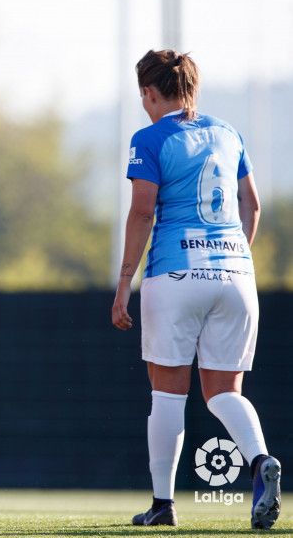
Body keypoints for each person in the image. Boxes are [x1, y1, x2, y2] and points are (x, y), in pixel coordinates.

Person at [112, 49, 281, 530]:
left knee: (167, 394)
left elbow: (143, 211)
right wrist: (233, 257)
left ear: (149, 92)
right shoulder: (229, 133)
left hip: (176, 273)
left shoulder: (149, 136)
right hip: (236, 276)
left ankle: (163, 505)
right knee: (224, 392)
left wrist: (124, 283)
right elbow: (253, 204)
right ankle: (259, 460)